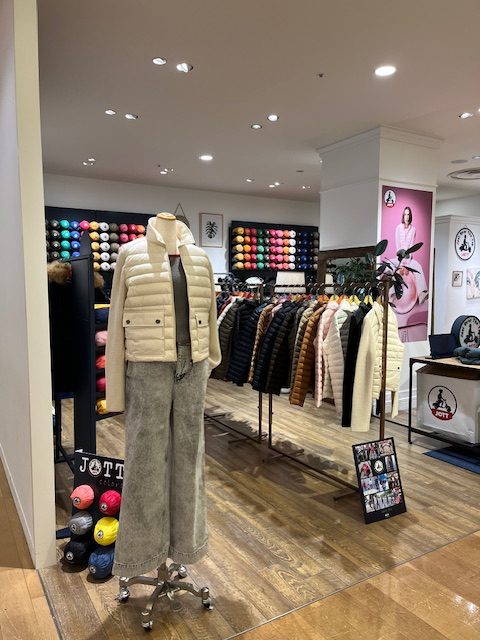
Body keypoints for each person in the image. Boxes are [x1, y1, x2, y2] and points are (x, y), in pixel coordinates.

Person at [393, 206, 429, 305]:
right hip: (399, 258)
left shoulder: (413, 229)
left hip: (409, 259)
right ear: (403, 216)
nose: (407, 217)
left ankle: (422, 294)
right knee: (391, 267)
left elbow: (412, 247)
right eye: (405, 214)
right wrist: (401, 263)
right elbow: (398, 246)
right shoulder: (398, 228)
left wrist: (407, 263)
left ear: (410, 216)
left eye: (408, 214)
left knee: (418, 266)